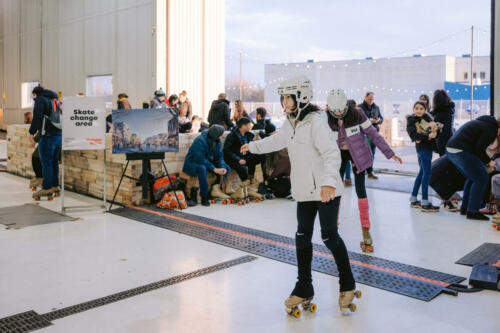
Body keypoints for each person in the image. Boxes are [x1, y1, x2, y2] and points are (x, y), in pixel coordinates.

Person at [241, 76, 359, 314]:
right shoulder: (291, 123)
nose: (284, 102)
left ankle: (347, 283)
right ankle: (304, 286)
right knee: (302, 237)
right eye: (282, 97)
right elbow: (276, 141)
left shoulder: (316, 122)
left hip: (326, 189)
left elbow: (332, 154)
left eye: (288, 97)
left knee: (329, 236)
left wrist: (327, 183)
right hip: (305, 191)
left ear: (301, 97)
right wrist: (253, 146)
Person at [326, 90, 402, 253]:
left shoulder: (358, 114)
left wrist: (390, 152)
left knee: (361, 190)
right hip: (338, 156)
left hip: (358, 156)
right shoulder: (327, 118)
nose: (339, 113)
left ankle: (366, 231)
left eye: (341, 109)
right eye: (335, 110)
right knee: (335, 191)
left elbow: (373, 135)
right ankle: (333, 229)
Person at [446, 116, 500, 220]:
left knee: (473, 177)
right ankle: (473, 211)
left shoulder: (484, 123)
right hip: (460, 150)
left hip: (451, 149)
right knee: (482, 178)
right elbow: (479, 149)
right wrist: (489, 162)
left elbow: (476, 148)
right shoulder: (491, 129)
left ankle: (465, 208)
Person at [182, 125, 230, 207]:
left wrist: (222, 166)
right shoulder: (199, 141)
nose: (222, 135)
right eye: (221, 133)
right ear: (216, 134)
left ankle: (216, 188)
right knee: (202, 169)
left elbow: (219, 157)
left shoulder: (218, 141)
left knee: (226, 167)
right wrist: (214, 169)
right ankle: (204, 195)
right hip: (193, 162)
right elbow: (200, 159)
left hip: (206, 161)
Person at [28, 86, 62, 199]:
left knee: (46, 162)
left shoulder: (40, 100)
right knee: (54, 162)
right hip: (58, 135)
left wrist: (31, 132)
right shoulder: (56, 100)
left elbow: (37, 117)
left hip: (47, 135)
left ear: (35, 94)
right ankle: (55, 186)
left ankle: (47, 188)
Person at [406, 101, 440, 212]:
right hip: (422, 149)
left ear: (425, 109)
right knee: (427, 173)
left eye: (421, 108)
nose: (419, 110)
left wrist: (436, 129)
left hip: (428, 148)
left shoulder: (428, 118)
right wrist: (428, 136)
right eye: (416, 108)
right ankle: (425, 202)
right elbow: (414, 135)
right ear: (413, 109)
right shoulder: (411, 120)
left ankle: (414, 198)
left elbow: (433, 132)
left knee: (422, 173)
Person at [224, 117, 265, 200]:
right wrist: (238, 159)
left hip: (244, 157)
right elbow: (227, 151)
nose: (251, 126)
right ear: (243, 126)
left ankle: (251, 181)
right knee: (242, 168)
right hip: (234, 159)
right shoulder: (232, 136)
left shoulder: (249, 135)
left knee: (262, 156)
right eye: (249, 124)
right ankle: (245, 185)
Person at [359, 92, 383, 179]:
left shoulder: (376, 107)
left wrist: (378, 121)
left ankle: (370, 172)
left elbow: (381, 118)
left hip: (374, 133)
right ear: (365, 97)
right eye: (369, 99)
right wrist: (369, 120)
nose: (371, 101)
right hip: (364, 133)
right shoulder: (359, 108)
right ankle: (364, 170)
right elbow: (358, 120)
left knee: (372, 153)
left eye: (372, 99)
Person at [431, 90, 455, 156]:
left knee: (444, 159)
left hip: (442, 139)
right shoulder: (450, 110)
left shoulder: (440, 113)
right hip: (451, 137)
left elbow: (435, 126)